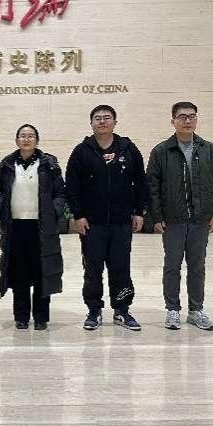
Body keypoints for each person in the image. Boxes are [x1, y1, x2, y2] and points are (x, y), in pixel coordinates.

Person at [65, 105, 149, 332]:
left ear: (115, 122)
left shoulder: (128, 149)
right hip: (92, 224)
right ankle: (94, 311)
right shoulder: (81, 151)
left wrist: (139, 211)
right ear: (91, 123)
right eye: (97, 118)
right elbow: (72, 187)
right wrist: (78, 215)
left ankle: (122, 310)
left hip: (121, 222)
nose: (102, 121)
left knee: (121, 267)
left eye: (107, 118)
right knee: (92, 269)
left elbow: (141, 182)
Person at [146, 101, 213, 331]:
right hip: (173, 220)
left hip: (201, 219)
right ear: (173, 121)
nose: (187, 120)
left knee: (197, 266)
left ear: (196, 119)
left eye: (192, 116)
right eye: (182, 117)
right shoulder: (161, 151)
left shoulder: (209, 149)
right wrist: (157, 216)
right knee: (172, 266)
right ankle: (173, 309)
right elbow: (152, 186)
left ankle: (196, 310)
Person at [0, 124, 65, 330]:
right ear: (16, 140)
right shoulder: (7, 165)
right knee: (19, 273)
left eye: (31, 136)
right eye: (23, 136)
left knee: (41, 271)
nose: (26, 139)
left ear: (37, 140)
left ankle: (41, 317)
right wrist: (1, 209)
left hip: (41, 226)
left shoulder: (48, 164)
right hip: (16, 227)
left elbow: (60, 193)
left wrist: (53, 212)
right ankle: (21, 316)